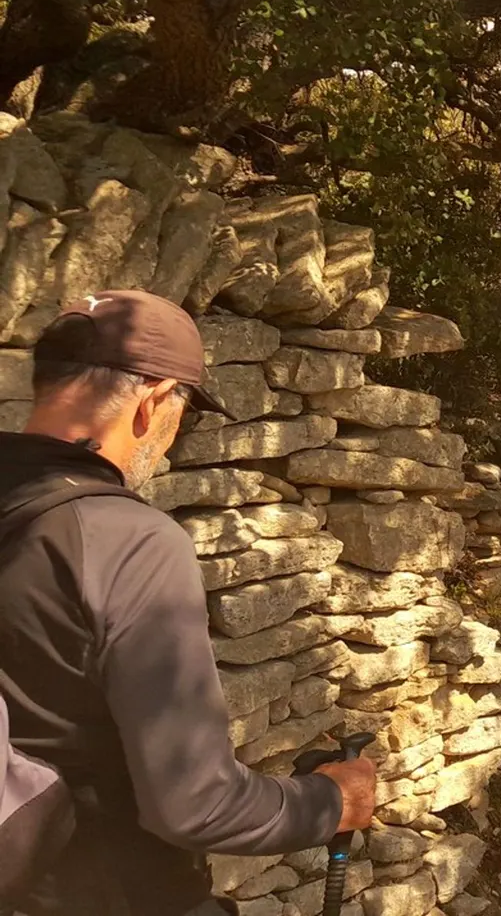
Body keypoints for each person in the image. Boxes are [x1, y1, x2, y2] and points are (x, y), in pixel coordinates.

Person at [0, 291, 376, 916]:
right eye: (185, 414)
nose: (174, 440)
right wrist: (332, 802)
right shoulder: (125, 541)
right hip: (104, 890)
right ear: (151, 401)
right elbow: (196, 805)